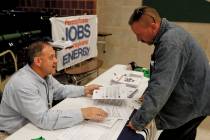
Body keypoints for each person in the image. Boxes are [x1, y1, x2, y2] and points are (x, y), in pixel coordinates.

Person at [127, 6, 210, 140]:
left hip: (193, 103)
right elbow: (160, 72)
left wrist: (138, 121)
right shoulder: (168, 33)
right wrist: (148, 92)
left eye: (139, 34)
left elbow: (161, 86)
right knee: (187, 133)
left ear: (153, 26)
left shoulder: (170, 42)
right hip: (197, 98)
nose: (138, 39)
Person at [0, 40, 108, 137]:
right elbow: (44, 120)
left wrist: (84, 89)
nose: (56, 61)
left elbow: (59, 90)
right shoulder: (23, 84)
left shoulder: (44, 74)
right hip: (13, 134)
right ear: (38, 61)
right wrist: (84, 113)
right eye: (51, 57)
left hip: (33, 124)